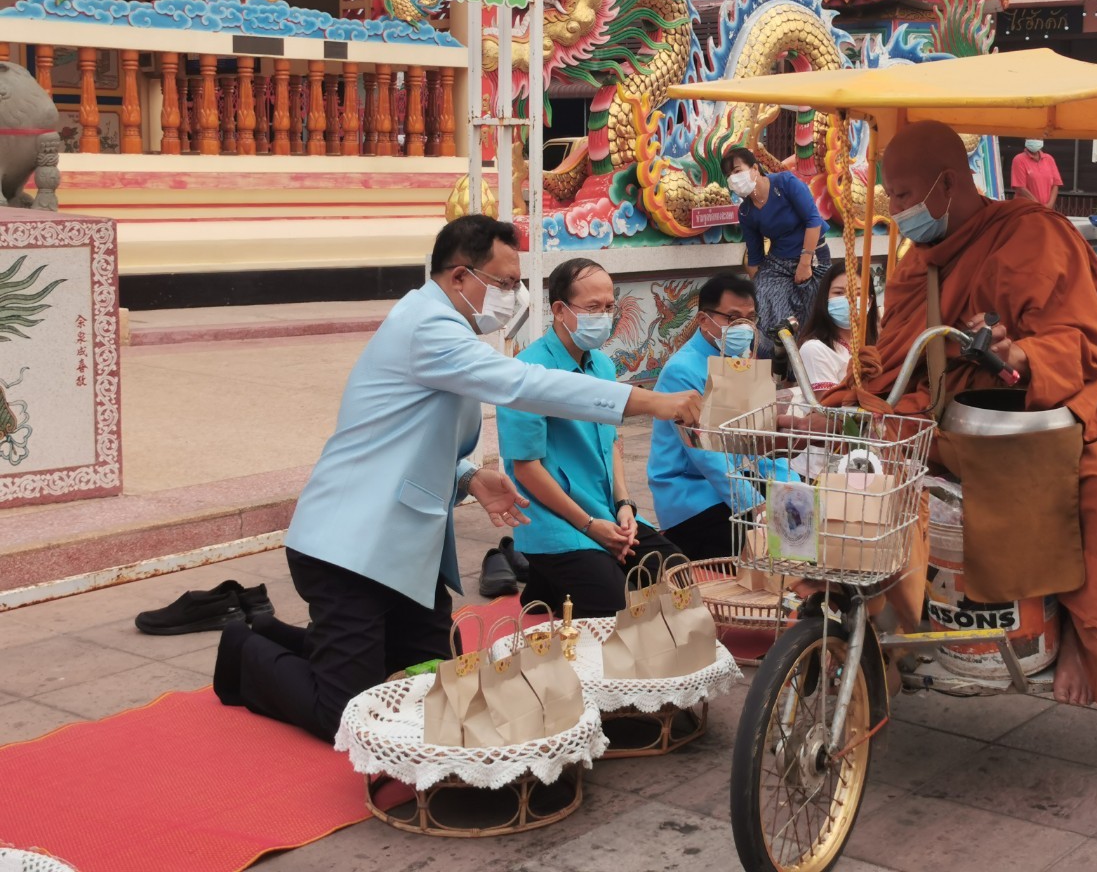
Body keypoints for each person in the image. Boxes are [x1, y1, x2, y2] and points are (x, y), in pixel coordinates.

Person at [211, 215, 701, 742]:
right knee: (345, 715)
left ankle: (280, 635)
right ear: (460, 278)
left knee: (433, 681)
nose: (513, 297)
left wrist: (469, 476)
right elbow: (524, 385)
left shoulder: (447, 326)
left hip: (403, 548)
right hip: (347, 545)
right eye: (506, 283)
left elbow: (406, 431)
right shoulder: (428, 326)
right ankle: (244, 649)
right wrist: (652, 402)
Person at [826, 120, 1097, 709]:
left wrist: (1022, 351)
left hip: (1049, 405)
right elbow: (900, 353)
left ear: (946, 184)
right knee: (864, 455)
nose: (896, 211)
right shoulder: (918, 258)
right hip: (951, 409)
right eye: (890, 197)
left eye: (901, 196)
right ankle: (868, 618)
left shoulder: (1034, 236)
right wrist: (859, 392)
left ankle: (1085, 638)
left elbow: (1092, 342)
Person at [496, 258, 683, 618]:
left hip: (605, 512)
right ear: (560, 311)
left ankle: (548, 586)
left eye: (610, 306)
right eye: (593, 308)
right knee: (615, 608)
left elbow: (609, 441)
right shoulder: (526, 372)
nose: (605, 316)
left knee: (676, 572)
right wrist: (589, 526)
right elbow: (526, 469)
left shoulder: (602, 364)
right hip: (557, 522)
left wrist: (625, 505)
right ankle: (551, 577)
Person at [648, 273, 772, 558]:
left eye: (749, 318)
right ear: (704, 320)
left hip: (732, 480)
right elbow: (707, 454)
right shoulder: (682, 371)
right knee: (776, 544)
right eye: (733, 318)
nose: (743, 327)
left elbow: (753, 437)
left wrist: (788, 482)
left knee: (809, 511)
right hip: (691, 496)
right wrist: (757, 505)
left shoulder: (738, 359)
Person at [722, 146, 831, 338]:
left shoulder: (785, 182)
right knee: (769, 310)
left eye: (737, 170)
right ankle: (779, 357)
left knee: (811, 315)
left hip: (812, 255)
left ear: (754, 168)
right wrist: (761, 290)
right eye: (729, 175)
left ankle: (806, 357)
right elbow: (755, 257)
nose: (733, 178)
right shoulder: (746, 212)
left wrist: (805, 263)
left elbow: (813, 220)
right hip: (778, 262)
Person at [795, 259, 880, 396]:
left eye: (857, 294)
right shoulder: (815, 349)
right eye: (839, 293)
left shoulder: (875, 346)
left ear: (869, 301)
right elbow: (829, 409)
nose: (849, 300)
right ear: (825, 299)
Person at [1010, 138, 1063, 209]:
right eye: (1031, 137)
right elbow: (1020, 187)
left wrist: (1049, 205)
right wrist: (1038, 205)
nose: (1034, 139)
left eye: (1037, 137)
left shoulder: (1049, 159)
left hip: (1046, 209)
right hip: (1025, 208)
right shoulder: (1019, 159)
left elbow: (1056, 184)